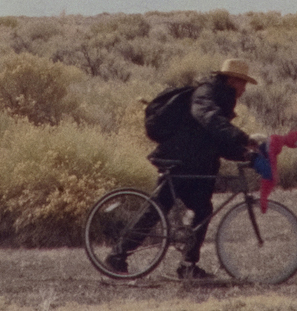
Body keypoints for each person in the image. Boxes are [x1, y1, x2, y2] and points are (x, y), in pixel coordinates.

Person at [106, 58, 262, 280]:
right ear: (231, 80)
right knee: (155, 211)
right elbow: (209, 119)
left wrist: (244, 154)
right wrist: (243, 138)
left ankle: (188, 266)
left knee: (202, 211)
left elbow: (215, 140)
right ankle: (116, 257)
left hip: (197, 167)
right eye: (242, 83)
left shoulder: (223, 99)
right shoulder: (205, 93)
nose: (244, 89)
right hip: (179, 163)